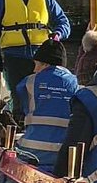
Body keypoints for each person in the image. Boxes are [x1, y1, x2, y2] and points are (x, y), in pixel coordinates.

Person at [13, 40, 79, 172]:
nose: (34, 69)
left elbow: (20, 106)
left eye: (36, 64)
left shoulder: (28, 82)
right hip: (63, 156)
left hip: (31, 153)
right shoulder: (77, 84)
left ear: (45, 64)